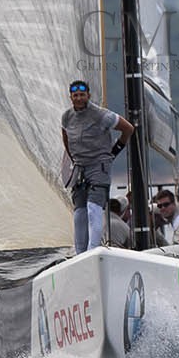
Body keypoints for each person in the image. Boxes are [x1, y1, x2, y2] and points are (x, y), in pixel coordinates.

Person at [61, 79, 135, 253]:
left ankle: (93, 249)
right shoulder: (67, 116)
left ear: (88, 95)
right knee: (79, 214)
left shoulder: (101, 115)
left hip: (98, 165)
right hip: (80, 167)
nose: (79, 98)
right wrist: (73, 157)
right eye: (75, 95)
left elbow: (128, 128)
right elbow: (65, 136)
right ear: (71, 97)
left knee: (93, 209)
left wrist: (115, 150)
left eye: (82, 95)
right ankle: (80, 254)